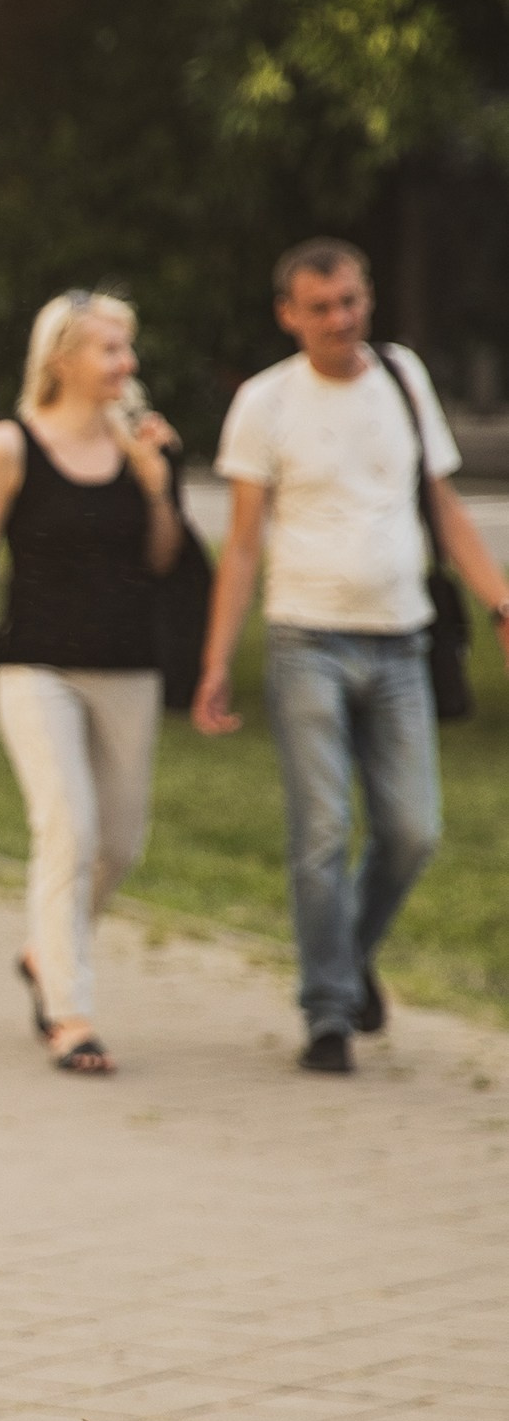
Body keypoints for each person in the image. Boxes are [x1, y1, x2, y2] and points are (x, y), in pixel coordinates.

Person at [195, 239, 509, 1073]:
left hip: (402, 640)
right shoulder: (266, 403)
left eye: (351, 300)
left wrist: (499, 599)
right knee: (324, 830)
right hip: (306, 641)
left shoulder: (403, 380)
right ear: (289, 314)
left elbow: (442, 506)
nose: (341, 319)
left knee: (413, 829)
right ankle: (328, 1012)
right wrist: (217, 662)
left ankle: (345, 958)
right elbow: (241, 544)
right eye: (322, 306)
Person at [0, 291, 184, 1075]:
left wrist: (156, 481)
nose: (126, 365)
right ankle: (71, 1014)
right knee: (69, 826)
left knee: (122, 842)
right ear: (61, 359)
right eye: (110, 349)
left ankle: (44, 949)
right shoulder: (11, 445)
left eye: (128, 350)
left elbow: (163, 559)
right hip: (37, 666)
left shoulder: (144, 442)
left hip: (129, 664)